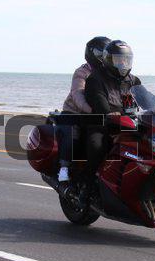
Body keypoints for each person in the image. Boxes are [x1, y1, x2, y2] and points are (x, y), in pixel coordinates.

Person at [57, 36, 111, 194]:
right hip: (74, 111)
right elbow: (78, 95)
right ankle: (64, 169)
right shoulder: (82, 72)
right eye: (101, 54)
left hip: (98, 114)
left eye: (106, 54)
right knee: (73, 133)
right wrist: (92, 111)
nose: (103, 57)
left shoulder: (108, 73)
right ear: (92, 54)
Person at [84, 40, 141, 185]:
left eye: (126, 59)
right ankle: (87, 185)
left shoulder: (133, 81)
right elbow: (100, 102)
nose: (123, 63)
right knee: (97, 146)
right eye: (118, 59)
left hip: (130, 125)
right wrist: (109, 113)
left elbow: (148, 100)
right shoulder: (95, 79)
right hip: (103, 125)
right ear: (108, 60)